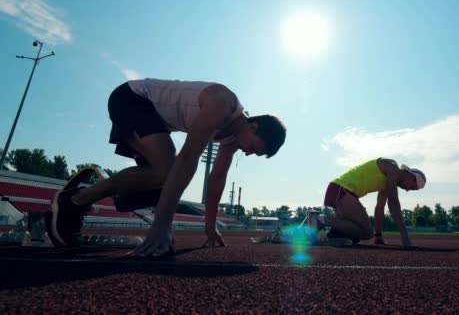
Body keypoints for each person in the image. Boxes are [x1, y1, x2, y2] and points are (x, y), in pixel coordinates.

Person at [47, 78, 286, 257]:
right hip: (132, 98)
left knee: (161, 181)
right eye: (255, 148)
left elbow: (216, 179)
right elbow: (187, 158)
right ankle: (75, 200)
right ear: (253, 127)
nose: (248, 153)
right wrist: (161, 226)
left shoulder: (233, 137)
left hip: (155, 121)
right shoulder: (222, 104)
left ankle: (80, 198)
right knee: (168, 171)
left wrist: (210, 228)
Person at [312, 158, 425, 247]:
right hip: (341, 189)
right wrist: (404, 236)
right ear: (411, 176)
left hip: (340, 191)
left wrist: (378, 235)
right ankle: (319, 219)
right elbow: (393, 202)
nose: (407, 190)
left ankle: (333, 235)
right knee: (366, 232)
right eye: (412, 187)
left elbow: (380, 207)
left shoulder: (389, 182)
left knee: (357, 234)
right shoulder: (392, 166)